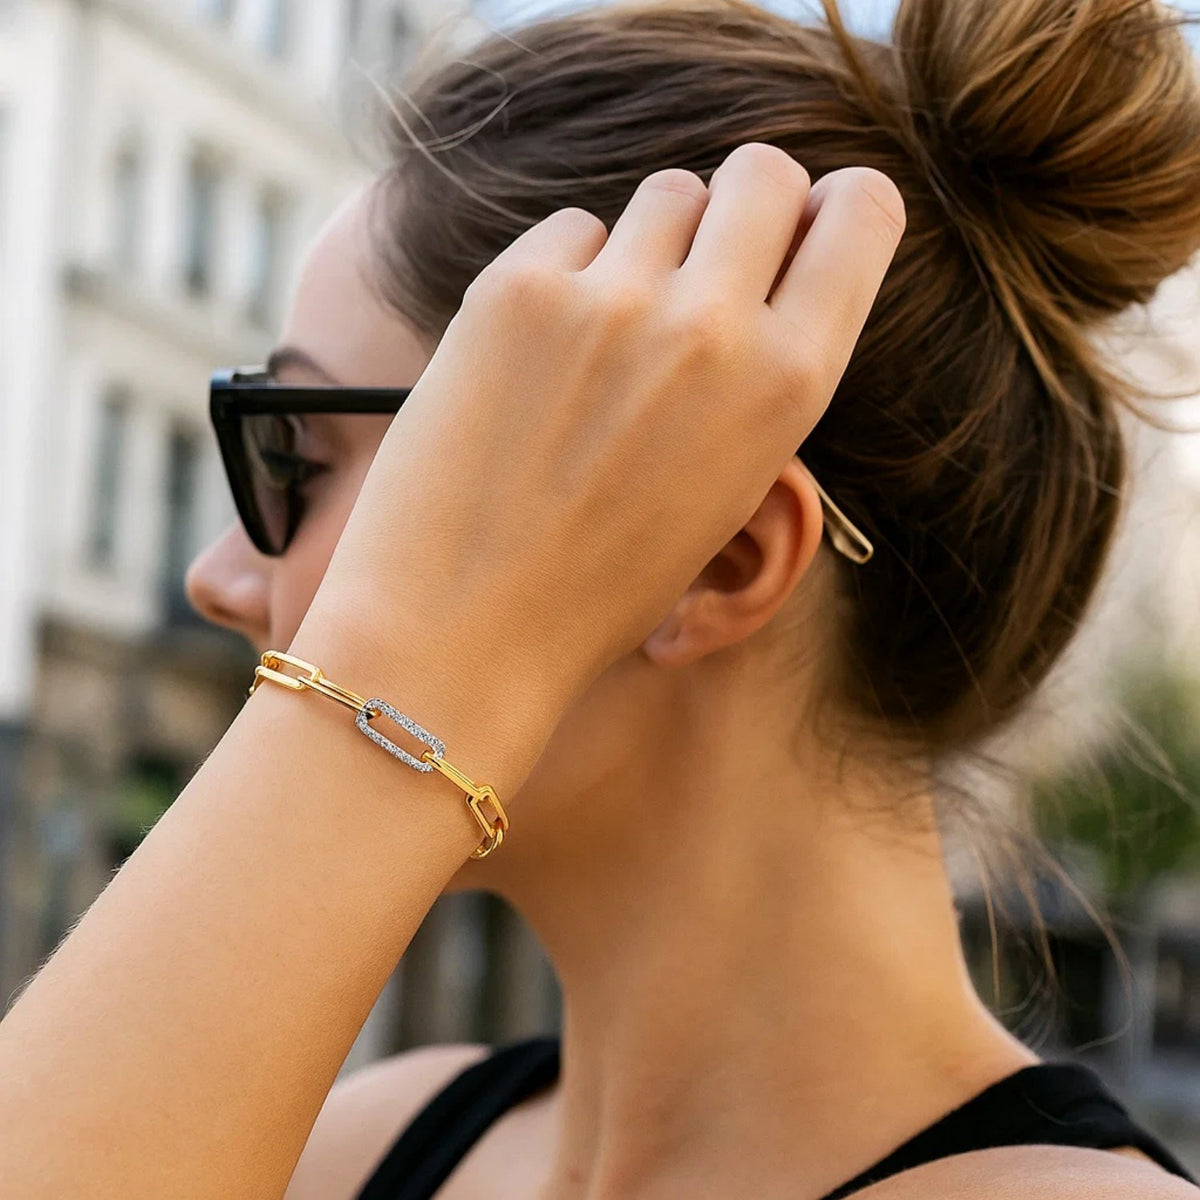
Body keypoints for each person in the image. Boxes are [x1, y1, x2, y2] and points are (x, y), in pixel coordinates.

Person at [0, 0, 1197, 1196]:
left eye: (297, 458)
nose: (216, 576)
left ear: (715, 557)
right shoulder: (360, 1150)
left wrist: (395, 679)